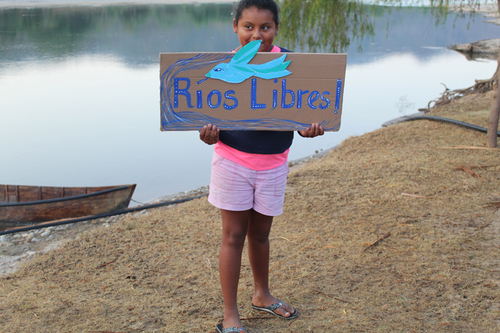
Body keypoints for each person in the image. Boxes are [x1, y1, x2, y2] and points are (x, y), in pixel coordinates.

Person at [199, 1, 324, 332]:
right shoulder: (221, 66)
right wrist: (207, 134)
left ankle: (262, 295)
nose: (257, 35)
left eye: (265, 28)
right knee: (233, 236)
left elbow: (301, 111)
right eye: (248, 27)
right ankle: (230, 314)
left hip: (273, 164)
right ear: (236, 27)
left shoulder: (292, 64)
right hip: (232, 162)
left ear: (276, 29)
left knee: (261, 235)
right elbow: (204, 112)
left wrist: (308, 127)